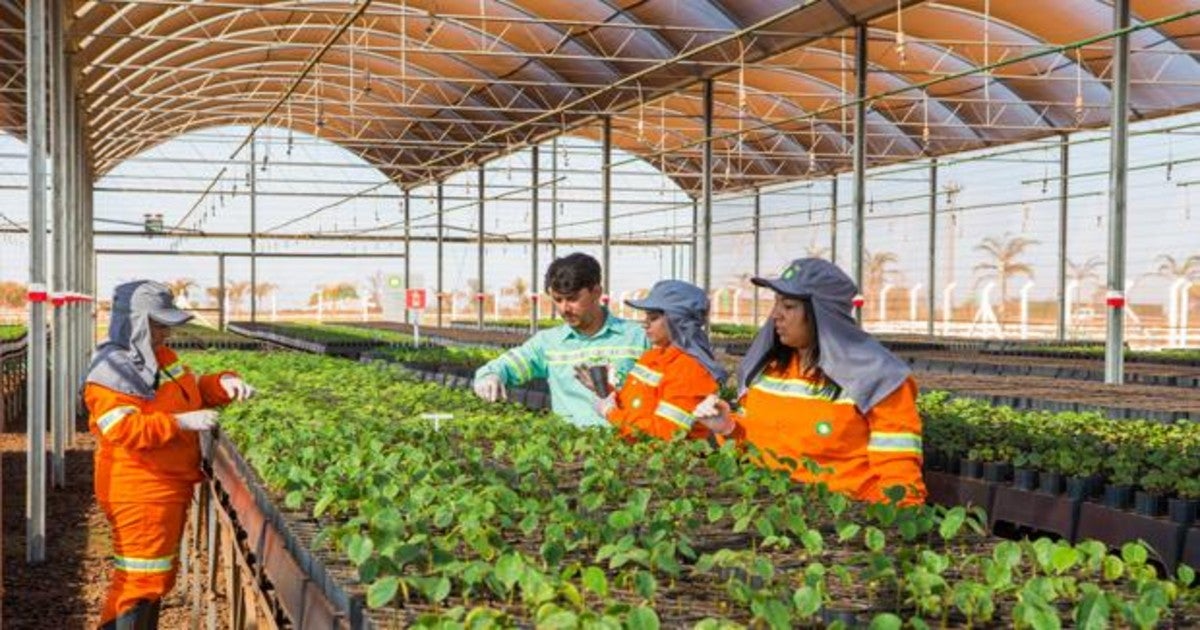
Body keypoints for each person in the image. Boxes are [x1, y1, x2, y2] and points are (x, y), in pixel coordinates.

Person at [84, 281, 256, 629]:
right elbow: (123, 430)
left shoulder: (159, 358)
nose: (164, 332)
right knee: (139, 581)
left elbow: (187, 393)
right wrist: (179, 423)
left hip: (164, 486)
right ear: (133, 321)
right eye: (158, 324)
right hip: (140, 488)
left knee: (154, 579)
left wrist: (222, 383)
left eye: (166, 324)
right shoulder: (111, 370)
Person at [693, 258, 926, 506]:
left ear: (823, 314)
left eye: (789, 306)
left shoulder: (879, 379)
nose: (775, 315)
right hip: (769, 511)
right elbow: (758, 448)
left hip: (842, 519)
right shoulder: (768, 372)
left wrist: (891, 526)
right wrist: (728, 428)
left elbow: (899, 478)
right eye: (776, 303)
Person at [472, 253, 648, 427]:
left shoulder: (637, 338)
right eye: (558, 300)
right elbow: (506, 366)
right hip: (569, 450)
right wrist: (490, 376)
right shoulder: (548, 343)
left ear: (596, 292)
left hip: (630, 444)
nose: (564, 309)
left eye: (572, 298)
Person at [581, 280, 727, 441]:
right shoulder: (651, 357)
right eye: (646, 317)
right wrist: (605, 391)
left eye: (654, 318)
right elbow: (634, 404)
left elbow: (665, 434)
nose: (645, 324)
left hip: (669, 464)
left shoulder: (690, 369)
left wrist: (611, 413)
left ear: (677, 320)